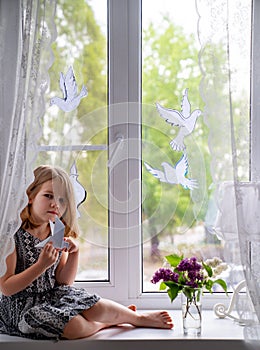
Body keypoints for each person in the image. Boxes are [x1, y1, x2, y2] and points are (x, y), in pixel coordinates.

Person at [0, 165, 173, 340]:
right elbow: (6, 288)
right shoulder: (11, 237)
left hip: (52, 296)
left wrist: (75, 254)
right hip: (21, 307)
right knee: (75, 327)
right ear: (30, 196)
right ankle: (107, 323)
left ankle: (137, 318)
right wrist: (41, 266)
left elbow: (63, 281)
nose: (55, 204)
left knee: (98, 307)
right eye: (48, 196)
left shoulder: (56, 232)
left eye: (62, 200)